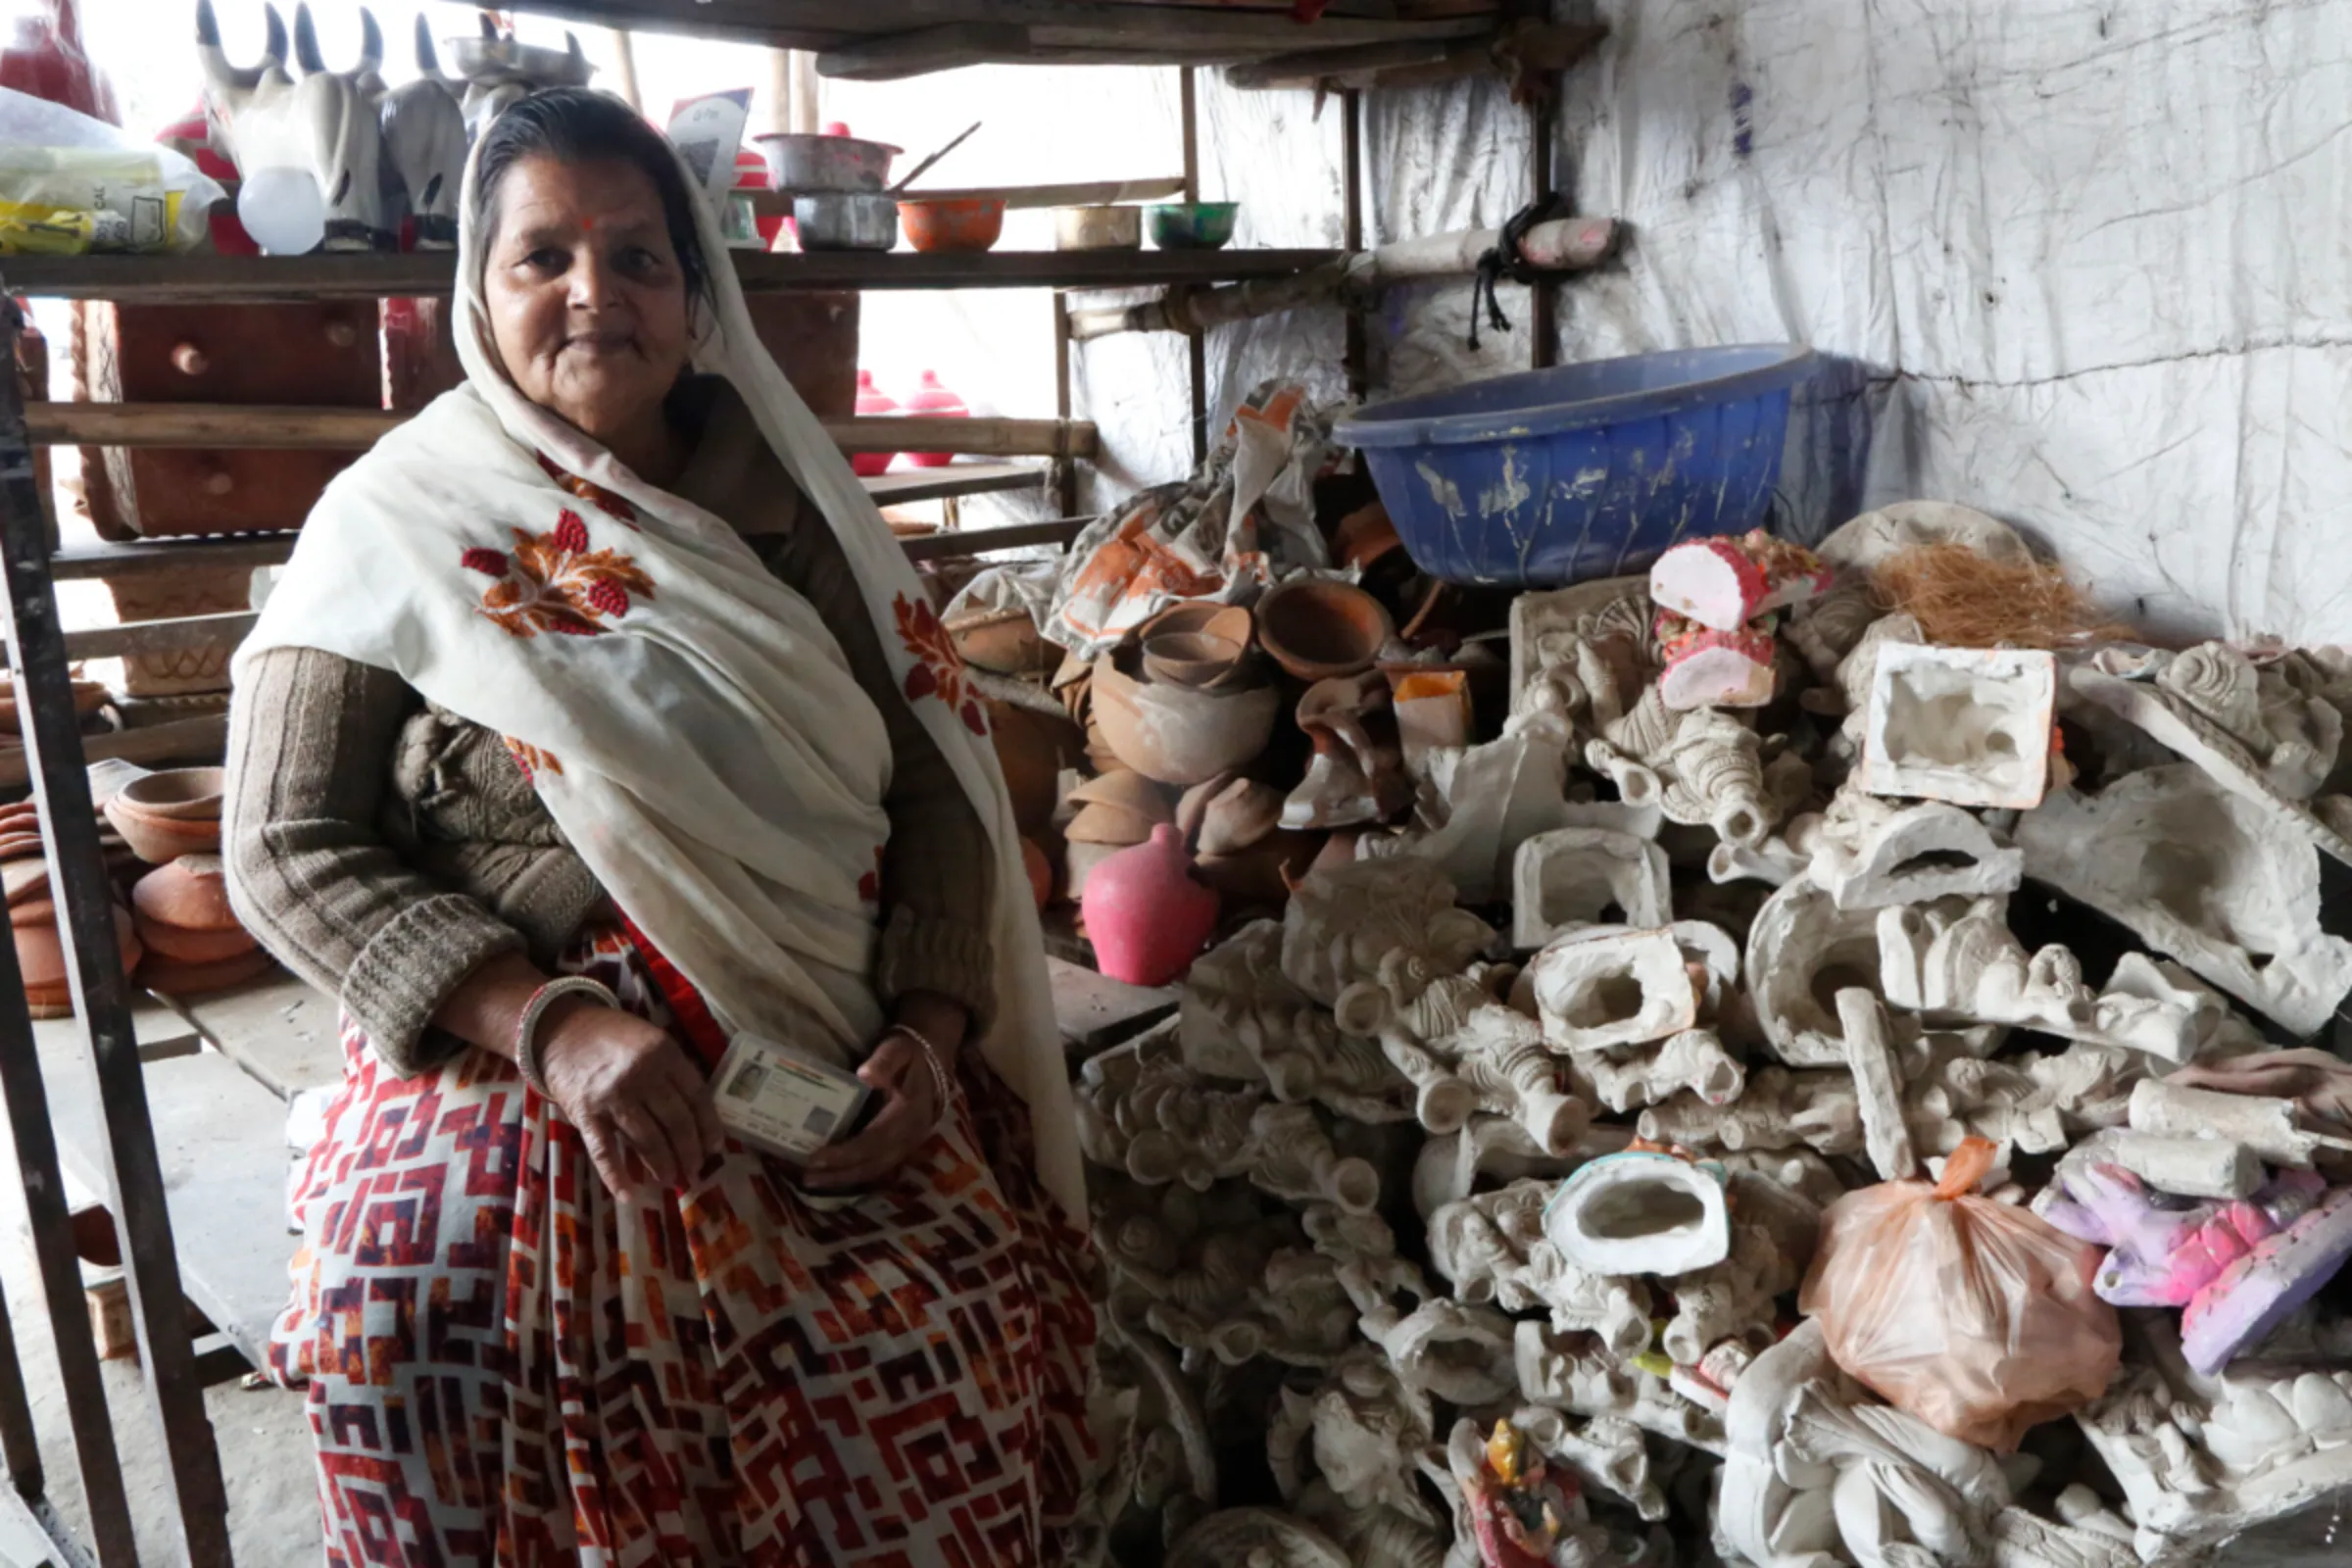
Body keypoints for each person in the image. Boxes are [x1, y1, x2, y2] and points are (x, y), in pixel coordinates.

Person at [224, 87, 1093, 1566]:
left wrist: (934, 1032)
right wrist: (547, 1024)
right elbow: (284, 845)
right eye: (543, 256)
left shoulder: (795, 503)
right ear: (477, 294)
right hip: (512, 1037)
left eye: (638, 258)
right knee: (406, 1322)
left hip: (821, 1027)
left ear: (697, 292)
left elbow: (939, 779)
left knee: (938, 1329)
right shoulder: (398, 519)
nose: (592, 295)